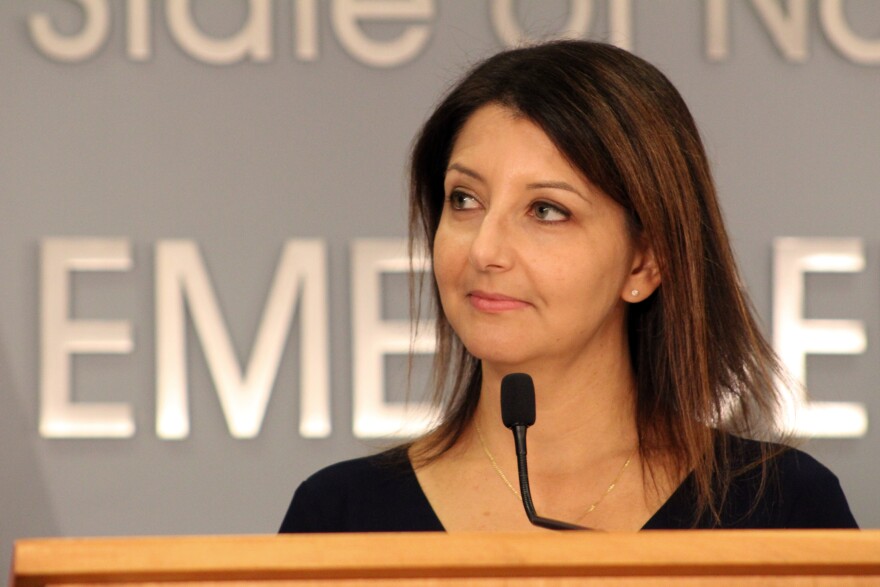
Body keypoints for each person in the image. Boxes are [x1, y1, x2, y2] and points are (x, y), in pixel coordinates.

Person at [280, 40, 857, 532]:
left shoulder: (782, 505)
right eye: (464, 200)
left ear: (644, 263)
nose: (484, 249)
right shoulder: (339, 513)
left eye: (547, 210)